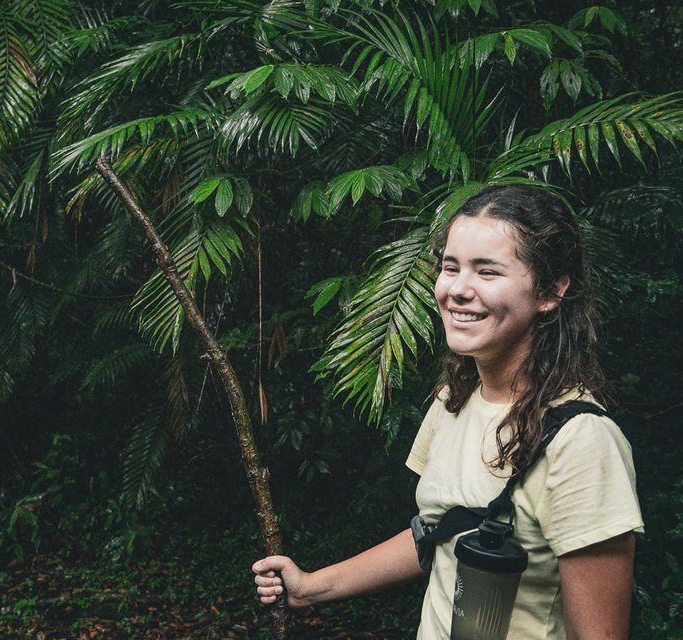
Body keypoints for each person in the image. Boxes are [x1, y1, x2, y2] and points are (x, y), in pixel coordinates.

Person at [252, 184, 644, 639]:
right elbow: (440, 533)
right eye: (450, 267)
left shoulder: (582, 441)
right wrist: (310, 588)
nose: (458, 289)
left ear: (550, 291)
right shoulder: (454, 398)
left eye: (488, 272)